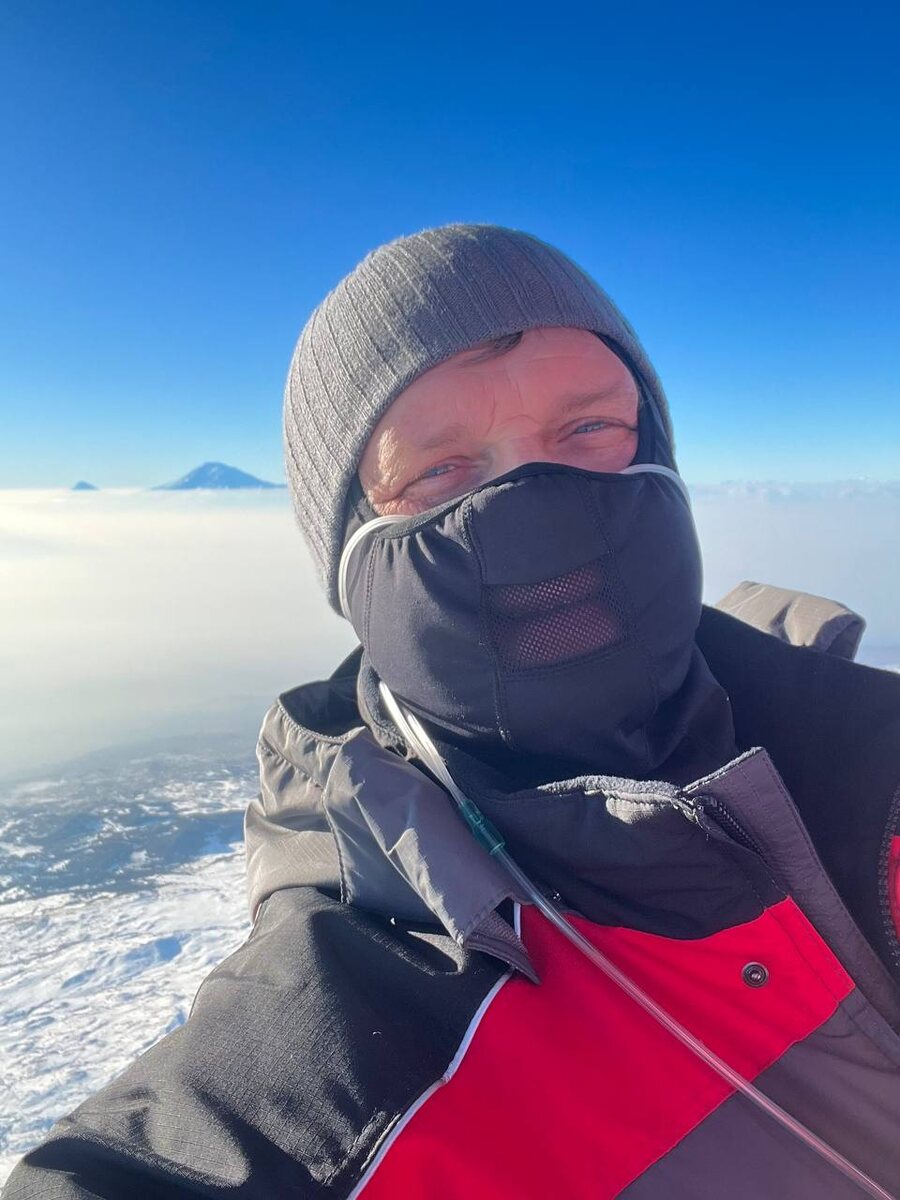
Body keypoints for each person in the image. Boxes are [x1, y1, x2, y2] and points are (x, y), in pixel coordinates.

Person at [6, 224, 900, 1198]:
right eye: (439, 470)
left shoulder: (863, 743)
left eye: (588, 431)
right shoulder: (355, 1038)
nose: (535, 503)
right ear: (350, 556)